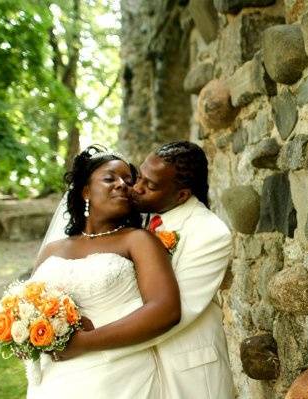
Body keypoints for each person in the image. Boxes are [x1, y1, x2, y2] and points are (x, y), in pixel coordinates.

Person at [28, 145, 181, 398]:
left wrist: (84, 343)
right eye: (110, 178)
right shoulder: (51, 250)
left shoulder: (138, 240)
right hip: (53, 379)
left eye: (128, 181)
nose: (122, 184)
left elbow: (166, 310)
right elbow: (28, 305)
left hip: (117, 377)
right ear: (85, 191)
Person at [97, 141, 235, 399]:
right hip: (140, 369)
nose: (136, 187)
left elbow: (176, 311)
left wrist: (96, 342)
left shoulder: (210, 233)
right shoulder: (146, 217)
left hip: (188, 372)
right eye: (139, 177)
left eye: (150, 185)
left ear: (181, 195)